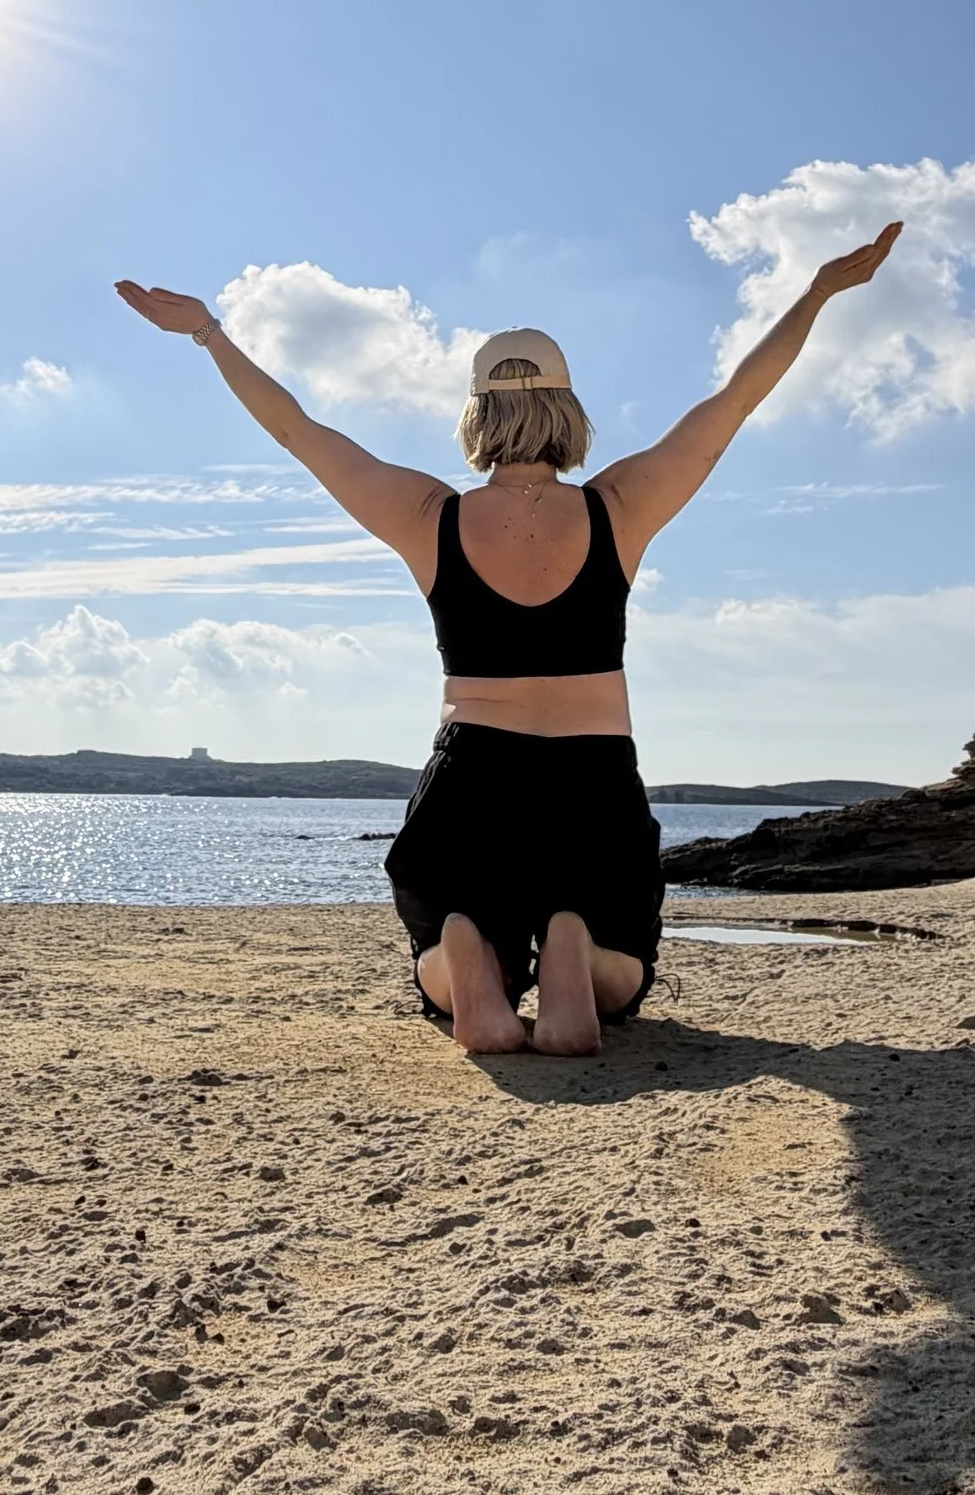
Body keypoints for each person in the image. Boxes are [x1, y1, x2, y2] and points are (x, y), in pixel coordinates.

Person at [115, 221, 902, 1056]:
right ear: (565, 407)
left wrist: (209, 333)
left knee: (442, 942)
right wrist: (814, 294)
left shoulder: (431, 517)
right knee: (624, 965)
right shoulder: (618, 508)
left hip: (471, 781)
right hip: (592, 779)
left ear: (477, 411)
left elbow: (299, 431)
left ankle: (467, 959)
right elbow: (734, 400)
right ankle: (575, 946)